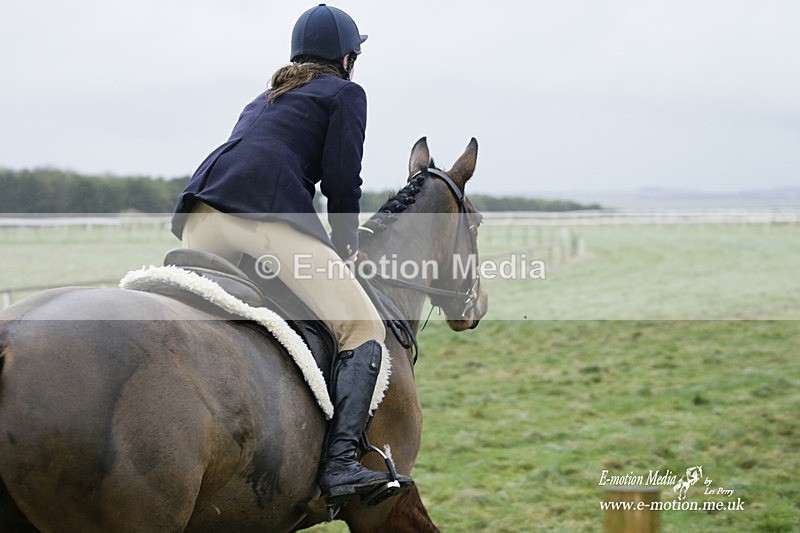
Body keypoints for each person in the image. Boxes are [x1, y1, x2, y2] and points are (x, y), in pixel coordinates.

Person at [171, 4, 412, 504]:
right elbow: (342, 182)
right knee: (362, 327)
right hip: (263, 215)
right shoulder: (346, 93)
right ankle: (341, 464)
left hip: (200, 216)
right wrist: (346, 247)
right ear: (347, 58)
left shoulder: (267, 96)